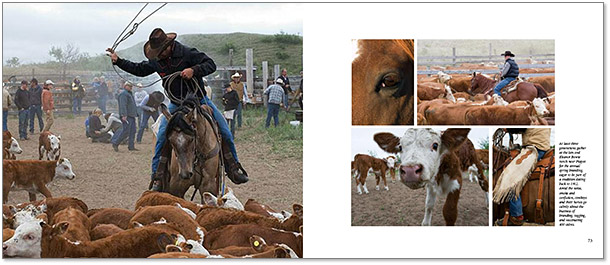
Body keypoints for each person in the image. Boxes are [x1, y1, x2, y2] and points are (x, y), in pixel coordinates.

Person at [106, 28, 248, 191]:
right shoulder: (157, 60)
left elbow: (210, 64)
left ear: (168, 46)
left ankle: (233, 167)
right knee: (161, 137)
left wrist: (193, 70)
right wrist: (118, 61)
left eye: (160, 52)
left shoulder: (187, 53)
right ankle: (158, 176)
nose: (158, 55)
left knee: (225, 131)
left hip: (199, 99)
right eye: (156, 53)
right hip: (175, 102)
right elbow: (140, 69)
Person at [495, 128, 551, 226]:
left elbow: (522, 127)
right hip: (537, 146)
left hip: (534, 149)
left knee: (512, 179)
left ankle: (517, 216)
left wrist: (508, 128)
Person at [111, 82, 138, 152]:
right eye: (129, 86)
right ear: (125, 86)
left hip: (131, 115)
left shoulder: (129, 94)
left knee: (133, 131)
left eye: (131, 86)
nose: (131, 88)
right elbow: (123, 105)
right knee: (126, 131)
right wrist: (123, 115)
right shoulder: (123, 94)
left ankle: (131, 146)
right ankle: (115, 143)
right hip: (127, 115)